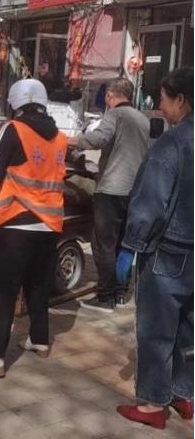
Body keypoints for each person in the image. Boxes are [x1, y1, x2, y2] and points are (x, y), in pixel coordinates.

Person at [0, 79, 67, 377]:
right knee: (38, 285)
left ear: (15, 104)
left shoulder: (13, 129)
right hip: (50, 224)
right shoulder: (60, 137)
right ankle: (40, 340)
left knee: (5, 289)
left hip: (15, 222)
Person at [115, 67, 193, 429]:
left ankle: (153, 404)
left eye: (163, 99)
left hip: (168, 253)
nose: (160, 107)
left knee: (156, 328)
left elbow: (150, 204)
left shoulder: (171, 145)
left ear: (181, 100)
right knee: (189, 325)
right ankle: (184, 393)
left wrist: (130, 246)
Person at [67, 77, 150, 313]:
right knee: (124, 243)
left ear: (109, 96)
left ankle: (105, 297)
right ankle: (121, 292)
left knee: (103, 244)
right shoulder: (142, 119)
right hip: (134, 191)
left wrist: (72, 141)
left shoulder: (115, 114)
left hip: (111, 190)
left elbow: (99, 138)